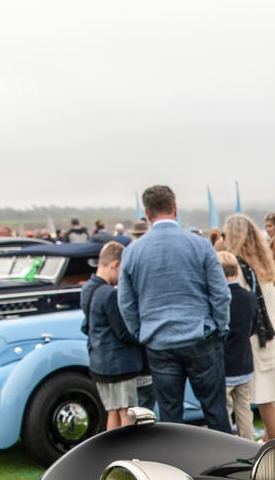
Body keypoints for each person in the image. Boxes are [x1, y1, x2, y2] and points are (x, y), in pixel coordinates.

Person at [116, 184, 232, 432]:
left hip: (159, 340)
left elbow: (125, 303)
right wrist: (220, 326)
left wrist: (141, 332)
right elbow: (220, 294)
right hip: (200, 335)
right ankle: (229, 466)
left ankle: (174, 467)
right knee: (215, 409)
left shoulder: (132, 252)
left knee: (170, 416)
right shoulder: (200, 245)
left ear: (147, 214)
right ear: (175, 209)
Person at [219, 213, 275, 441]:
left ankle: (262, 440)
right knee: (266, 395)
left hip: (253, 336)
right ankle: (270, 438)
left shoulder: (237, 266)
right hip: (271, 330)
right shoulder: (262, 262)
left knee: (246, 394)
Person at [80, 241, 142, 431]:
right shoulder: (109, 294)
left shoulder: (87, 288)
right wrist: (142, 336)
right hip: (119, 363)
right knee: (127, 412)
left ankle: (112, 454)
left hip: (99, 361)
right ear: (115, 264)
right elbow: (123, 331)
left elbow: (86, 326)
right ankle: (127, 452)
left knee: (113, 411)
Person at [216, 250, 257, 440]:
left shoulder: (217, 300)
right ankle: (249, 448)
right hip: (244, 361)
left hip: (224, 365)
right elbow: (254, 327)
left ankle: (224, 448)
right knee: (244, 411)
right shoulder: (250, 297)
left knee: (223, 412)